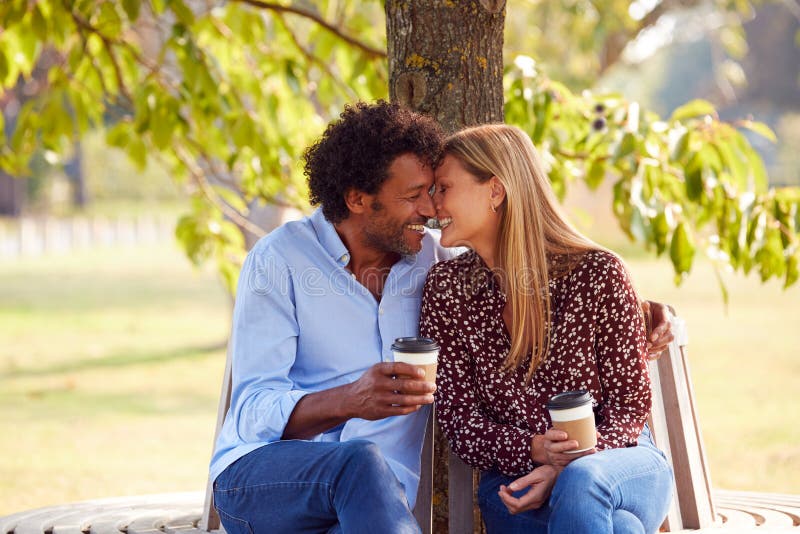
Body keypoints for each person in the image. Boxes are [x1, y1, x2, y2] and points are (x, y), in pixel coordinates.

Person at [210, 102, 674, 533]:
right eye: (416, 195)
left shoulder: (431, 262)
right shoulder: (281, 260)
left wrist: (651, 314)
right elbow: (252, 413)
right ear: (357, 199)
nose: (431, 210)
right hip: (271, 478)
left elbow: (552, 269)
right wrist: (350, 399)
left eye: (438, 191)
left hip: (376, 505)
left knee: (612, 517)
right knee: (360, 462)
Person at [419, 124, 674, 533]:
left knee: (583, 482)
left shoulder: (597, 273)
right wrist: (532, 449)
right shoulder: (447, 290)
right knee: (620, 528)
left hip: (620, 464)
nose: (432, 206)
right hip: (515, 482)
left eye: (443, 188)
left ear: (495, 191)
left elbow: (629, 407)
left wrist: (566, 468)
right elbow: (459, 419)